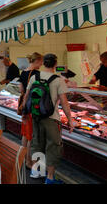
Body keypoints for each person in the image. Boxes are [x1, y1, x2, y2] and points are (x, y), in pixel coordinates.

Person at [20, 53, 74, 184]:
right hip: (52, 118)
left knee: (36, 143)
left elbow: (26, 97)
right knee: (52, 146)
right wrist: (70, 120)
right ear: (55, 64)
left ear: (43, 63)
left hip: (36, 117)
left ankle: (36, 171)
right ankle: (50, 178)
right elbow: (65, 103)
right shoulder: (58, 80)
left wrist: (24, 114)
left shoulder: (34, 76)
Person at [17, 52, 43, 169]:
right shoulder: (37, 74)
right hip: (33, 107)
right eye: (41, 61)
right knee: (31, 136)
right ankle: (29, 162)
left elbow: (21, 89)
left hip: (24, 107)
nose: (42, 64)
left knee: (25, 134)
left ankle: (22, 158)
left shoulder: (23, 72)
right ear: (37, 61)